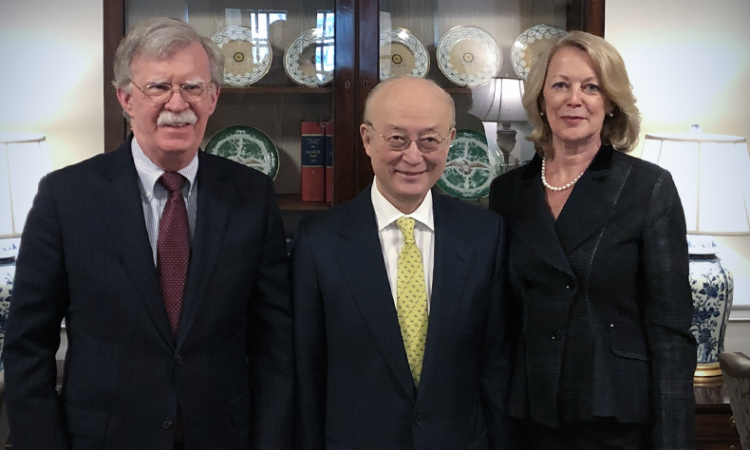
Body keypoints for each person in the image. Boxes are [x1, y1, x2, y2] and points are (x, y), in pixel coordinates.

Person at [4, 17, 293, 450]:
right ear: (125, 98)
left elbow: (275, 345)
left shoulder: (251, 195)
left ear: (213, 97)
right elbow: (28, 346)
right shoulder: (65, 197)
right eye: (159, 87)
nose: (178, 104)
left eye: (193, 87)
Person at [489, 31, 696, 449]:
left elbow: (670, 330)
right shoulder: (508, 191)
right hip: (529, 414)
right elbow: (501, 322)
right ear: (541, 99)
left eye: (591, 87)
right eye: (560, 85)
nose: (574, 99)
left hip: (612, 413)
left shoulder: (647, 187)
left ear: (611, 102)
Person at [293, 76, 515, 450]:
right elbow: (307, 374)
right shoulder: (319, 241)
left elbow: (495, 367)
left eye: (429, 140)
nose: (413, 156)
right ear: (367, 139)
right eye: (397, 138)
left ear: (450, 141)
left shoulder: (485, 235)